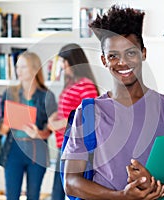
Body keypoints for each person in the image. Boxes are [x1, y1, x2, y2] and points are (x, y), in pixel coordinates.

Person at [61, 4, 164, 200]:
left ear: (143, 53)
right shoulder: (88, 112)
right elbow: (70, 183)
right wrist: (121, 196)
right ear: (103, 60)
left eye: (131, 53)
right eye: (113, 56)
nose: (122, 62)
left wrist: (153, 189)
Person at [0, 51, 57, 200]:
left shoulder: (47, 96)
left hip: (36, 151)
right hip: (13, 150)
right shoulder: (9, 93)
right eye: (17, 67)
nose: (18, 71)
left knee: (33, 196)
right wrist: (8, 124)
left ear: (34, 69)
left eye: (23, 67)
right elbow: (3, 129)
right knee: (11, 196)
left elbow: (49, 131)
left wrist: (38, 134)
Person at [48, 43, 99, 200]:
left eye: (64, 62)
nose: (62, 66)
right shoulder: (71, 84)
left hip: (75, 147)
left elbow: (88, 116)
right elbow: (68, 110)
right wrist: (53, 118)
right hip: (62, 145)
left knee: (61, 191)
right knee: (59, 190)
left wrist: (59, 124)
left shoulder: (86, 85)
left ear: (73, 62)